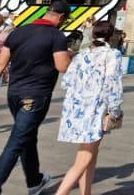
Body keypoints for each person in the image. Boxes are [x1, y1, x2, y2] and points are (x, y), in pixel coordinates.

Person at [0, 0, 73, 195]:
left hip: (14, 95)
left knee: (27, 137)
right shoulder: (56, 35)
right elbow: (62, 66)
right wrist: (69, 53)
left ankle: (34, 181)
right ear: (61, 17)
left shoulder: (18, 32)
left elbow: (0, 65)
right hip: (35, 96)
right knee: (16, 142)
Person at [54, 21, 125, 195]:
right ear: (111, 36)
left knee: (91, 152)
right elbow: (112, 84)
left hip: (76, 109)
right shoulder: (112, 54)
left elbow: (66, 82)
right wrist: (115, 110)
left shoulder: (81, 55)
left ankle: (86, 192)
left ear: (92, 35)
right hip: (96, 109)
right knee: (85, 156)